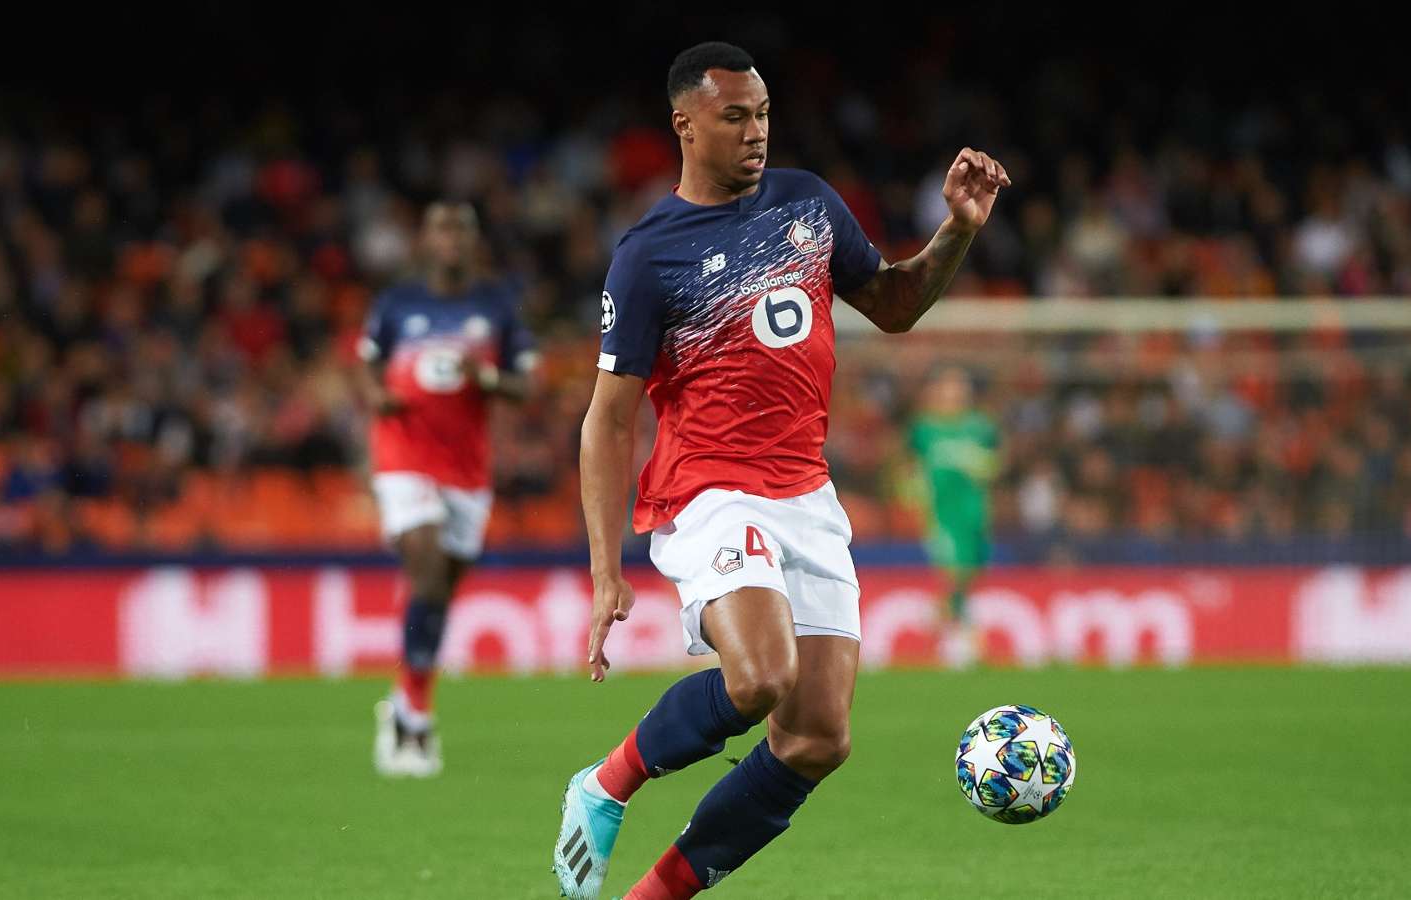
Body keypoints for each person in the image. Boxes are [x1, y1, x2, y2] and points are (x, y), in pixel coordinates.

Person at [552, 41, 1010, 898]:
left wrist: (957, 231)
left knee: (817, 739)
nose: (756, 132)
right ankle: (605, 784)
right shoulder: (648, 254)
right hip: (708, 490)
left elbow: (894, 306)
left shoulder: (808, 203)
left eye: (762, 114)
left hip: (806, 492)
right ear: (686, 125)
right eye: (734, 117)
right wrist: (605, 568)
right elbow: (608, 419)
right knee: (761, 676)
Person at [356, 201, 537, 777]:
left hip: (467, 469)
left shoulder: (496, 305)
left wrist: (485, 377)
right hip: (404, 455)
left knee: (438, 591)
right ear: (427, 240)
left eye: (461, 229)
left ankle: (407, 697)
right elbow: (367, 365)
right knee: (430, 570)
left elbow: (525, 384)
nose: (452, 239)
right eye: (441, 229)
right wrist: (377, 396)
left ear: (473, 241)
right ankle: (413, 719)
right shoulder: (397, 303)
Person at [908, 367, 999, 668]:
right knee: (953, 572)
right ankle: (963, 639)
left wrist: (980, 465)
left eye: (958, 386)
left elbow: (995, 464)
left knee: (969, 573)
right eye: (947, 386)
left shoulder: (980, 427)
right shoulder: (924, 429)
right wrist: (914, 493)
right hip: (940, 513)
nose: (953, 393)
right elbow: (910, 467)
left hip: (974, 512)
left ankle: (937, 616)